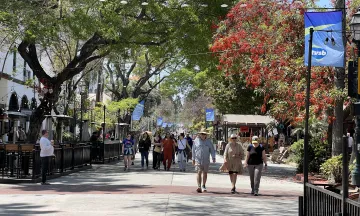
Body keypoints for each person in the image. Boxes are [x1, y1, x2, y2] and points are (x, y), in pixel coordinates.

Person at [192, 128, 216, 193]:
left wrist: (213, 157)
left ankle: (203, 185)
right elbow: (193, 151)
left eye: (204, 134)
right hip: (198, 160)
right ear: (199, 134)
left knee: (205, 173)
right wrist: (193, 159)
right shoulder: (195, 141)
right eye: (202, 134)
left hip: (206, 160)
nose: (203, 135)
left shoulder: (209, 142)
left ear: (206, 135)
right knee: (199, 172)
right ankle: (199, 186)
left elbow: (212, 150)